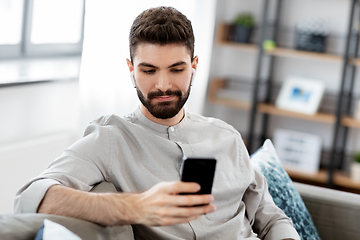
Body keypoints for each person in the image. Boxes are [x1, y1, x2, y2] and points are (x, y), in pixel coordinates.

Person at [15, 6, 300, 240]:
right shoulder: (110, 138)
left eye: (177, 69)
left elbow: (270, 215)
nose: (163, 85)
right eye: (149, 70)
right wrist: (137, 207)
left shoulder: (227, 137)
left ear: (194, 66)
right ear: (131, 69)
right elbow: (29, 198)